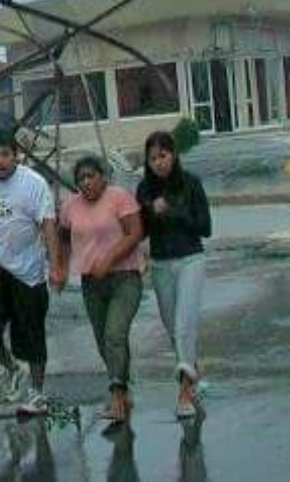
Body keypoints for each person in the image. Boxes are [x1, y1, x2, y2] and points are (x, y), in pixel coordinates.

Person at [0, 130, 62, 416]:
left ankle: (37, 393)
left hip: (28, 273)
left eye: (5, 155)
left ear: (15, 156)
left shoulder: (33, 184)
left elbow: (48, 225)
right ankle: (12, 368)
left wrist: (55, 266)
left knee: (31, 334)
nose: (0, 161)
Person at [58, 155, 145, 424]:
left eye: (91, 176)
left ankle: (117, 397)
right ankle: (124, 386)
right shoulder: (71, 206)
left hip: (125, 277)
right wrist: (59, 268)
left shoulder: (119, 197)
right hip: (91, 282)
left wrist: (109, 259)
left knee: (115, 334)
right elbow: (62, 238)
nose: (86, 182)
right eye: (81, 178)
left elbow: (135, 232)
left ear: (103, 176)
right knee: (103, 340)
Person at [135, 130, 212, 419]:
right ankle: (193, 371)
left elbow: (205, 227)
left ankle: (184, 393)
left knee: (184, 324)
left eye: (163, 155)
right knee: (172, 328)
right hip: (160, 264)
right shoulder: (144, 189)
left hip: (190, 259)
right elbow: (140, 229)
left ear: (174, 154)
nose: (159, 163)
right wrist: (151, 212)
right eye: (153, 158)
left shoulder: (190, 184)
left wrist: (174, 212)